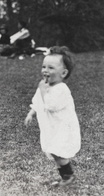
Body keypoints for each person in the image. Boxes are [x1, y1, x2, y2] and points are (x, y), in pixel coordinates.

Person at [24, 46, 81, 186]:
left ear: (63, 73)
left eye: (51, 68)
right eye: (44, 66)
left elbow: (52, 105)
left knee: (58, 151)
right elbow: (38, 100)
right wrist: (32, 112)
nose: (45, 71)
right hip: (51, 127)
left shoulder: (61, 89)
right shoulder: (44, 86)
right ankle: (65, 177)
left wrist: (43, 91)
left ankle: (68, 177)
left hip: (63, 127)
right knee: (54, 152)